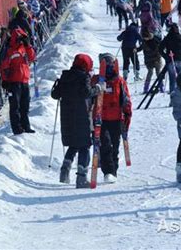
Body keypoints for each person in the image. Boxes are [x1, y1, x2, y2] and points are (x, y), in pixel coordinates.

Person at [51, 54, 101, 188]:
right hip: (80, 115)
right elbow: (86, 92)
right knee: (84, 145)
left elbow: (55, 95)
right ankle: (81, 178)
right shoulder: (83, 77)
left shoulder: (65, 76)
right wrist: (97, 90)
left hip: (66, 116)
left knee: (73, 144)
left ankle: (64, 171)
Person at [92, 53, 132, 183]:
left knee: (115, 146)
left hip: (116, 118)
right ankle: (108, 172)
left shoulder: (119, 81)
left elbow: (126, 99)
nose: (109, 66)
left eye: (110, 63)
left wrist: (127, 116)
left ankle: (113, 170)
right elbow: (89, 97)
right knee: (105, 145)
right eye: (106, 63)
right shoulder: (96, 80)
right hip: (101, 119)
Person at [0, 28, 36, 135]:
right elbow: (3, 66)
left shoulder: (24, 48)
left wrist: (28, 45)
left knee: (25, 105)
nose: (22, 40)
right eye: (20, 38)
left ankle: (26, 126)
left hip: (24, 80)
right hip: (13, 82)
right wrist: (5, 80)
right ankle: (17, 128)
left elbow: (32, 57)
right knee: (15, 106)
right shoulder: (9, 50)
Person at [159, 23, 181, 95]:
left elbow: (160, 48)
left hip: (171, 60)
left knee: (173, 80)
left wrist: (166, 57)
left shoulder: (167, 37)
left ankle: (173, 99)